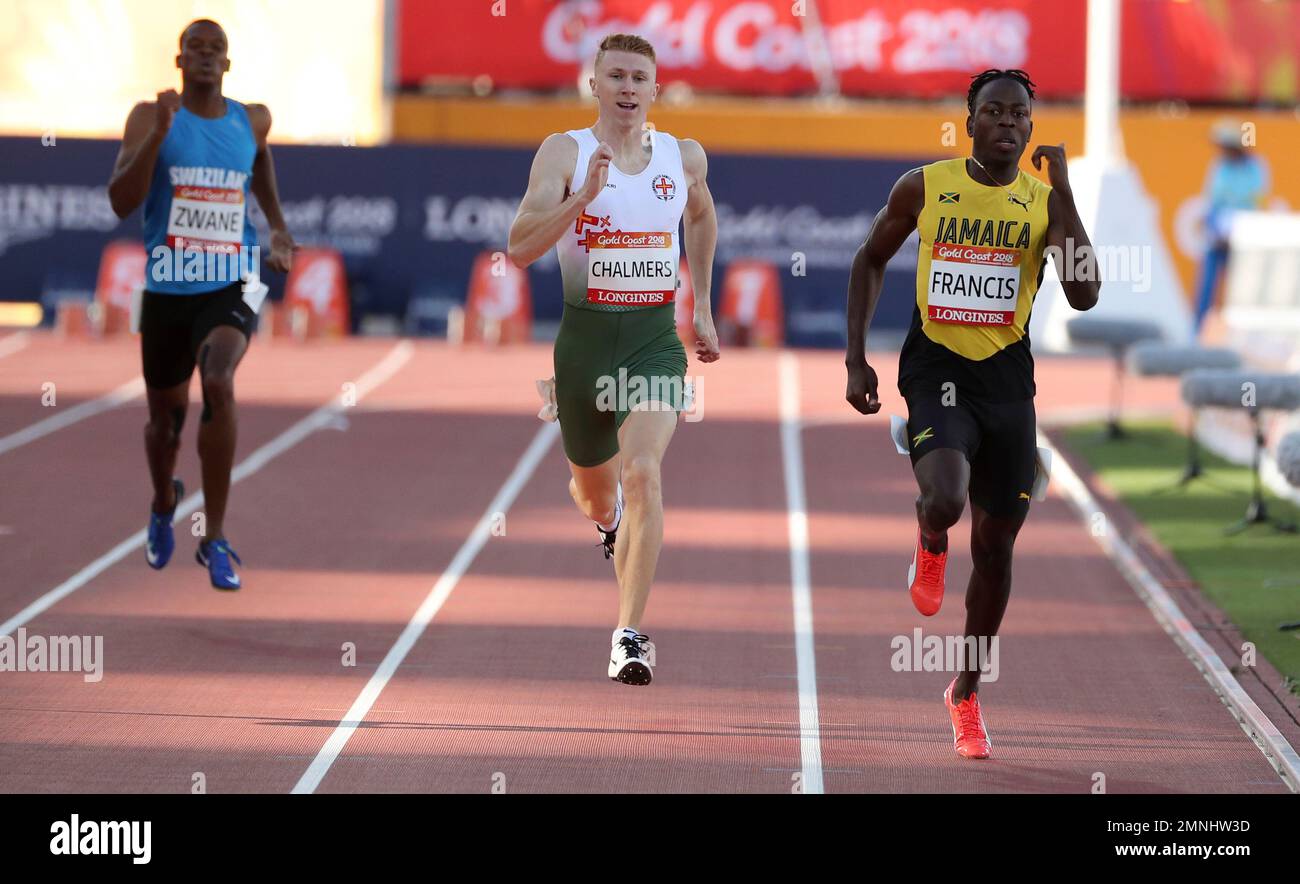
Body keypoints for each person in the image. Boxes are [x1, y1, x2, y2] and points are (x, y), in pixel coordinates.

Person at [844, 70, 1100, 758]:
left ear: (1031, 128)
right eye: (994, 112)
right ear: (971, 124)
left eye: (1020, 114)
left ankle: (966, 692)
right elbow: (869, 259)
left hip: (1008, 382)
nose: (1009, 123)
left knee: (996, 546)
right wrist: (856, 359)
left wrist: (1067, 194)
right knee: (947, 498)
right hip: (936, 368)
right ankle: (931, 542)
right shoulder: (924, 187)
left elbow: (1084, 294)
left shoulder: (1045, 204)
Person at [508, 33, 721, 685]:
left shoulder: (682, 156)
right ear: (593, 85)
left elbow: (703, 218)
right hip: (584, 350)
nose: (628, 88)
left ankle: (629, 635)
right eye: (616, 77)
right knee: (600, 497)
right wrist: (582, 196)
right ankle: (608, 522)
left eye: (640, 77)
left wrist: (703, 307)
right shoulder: (564, 152)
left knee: (645, 473)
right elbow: (518, 248)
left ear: (655, 90)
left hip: (654, 346)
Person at [108, 19, 295, 590]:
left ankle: (213, 537)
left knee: (219, 379)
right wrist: (158, 135)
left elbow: (260, 157)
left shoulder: (251, 118)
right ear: (180, 60)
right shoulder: (150, 117)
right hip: (168, 284)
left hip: (233, 281)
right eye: (197, 49)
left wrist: (278, 228)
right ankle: (164, 499)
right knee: (165, 424)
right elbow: (121, 202)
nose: (207, 57)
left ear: (228, 65)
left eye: (217, 50)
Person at [1193, 121, 1270, 336]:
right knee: (1207, 284)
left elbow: (1255, 203)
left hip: (1244, 235)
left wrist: (1236, 233)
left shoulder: (1256, 167)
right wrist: (1213, 228)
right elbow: (1212, 202)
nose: (1223, 150)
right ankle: (1197, 332)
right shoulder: (1220, 166)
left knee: (1244, 289)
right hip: (1218, 234)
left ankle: (1243, 334)